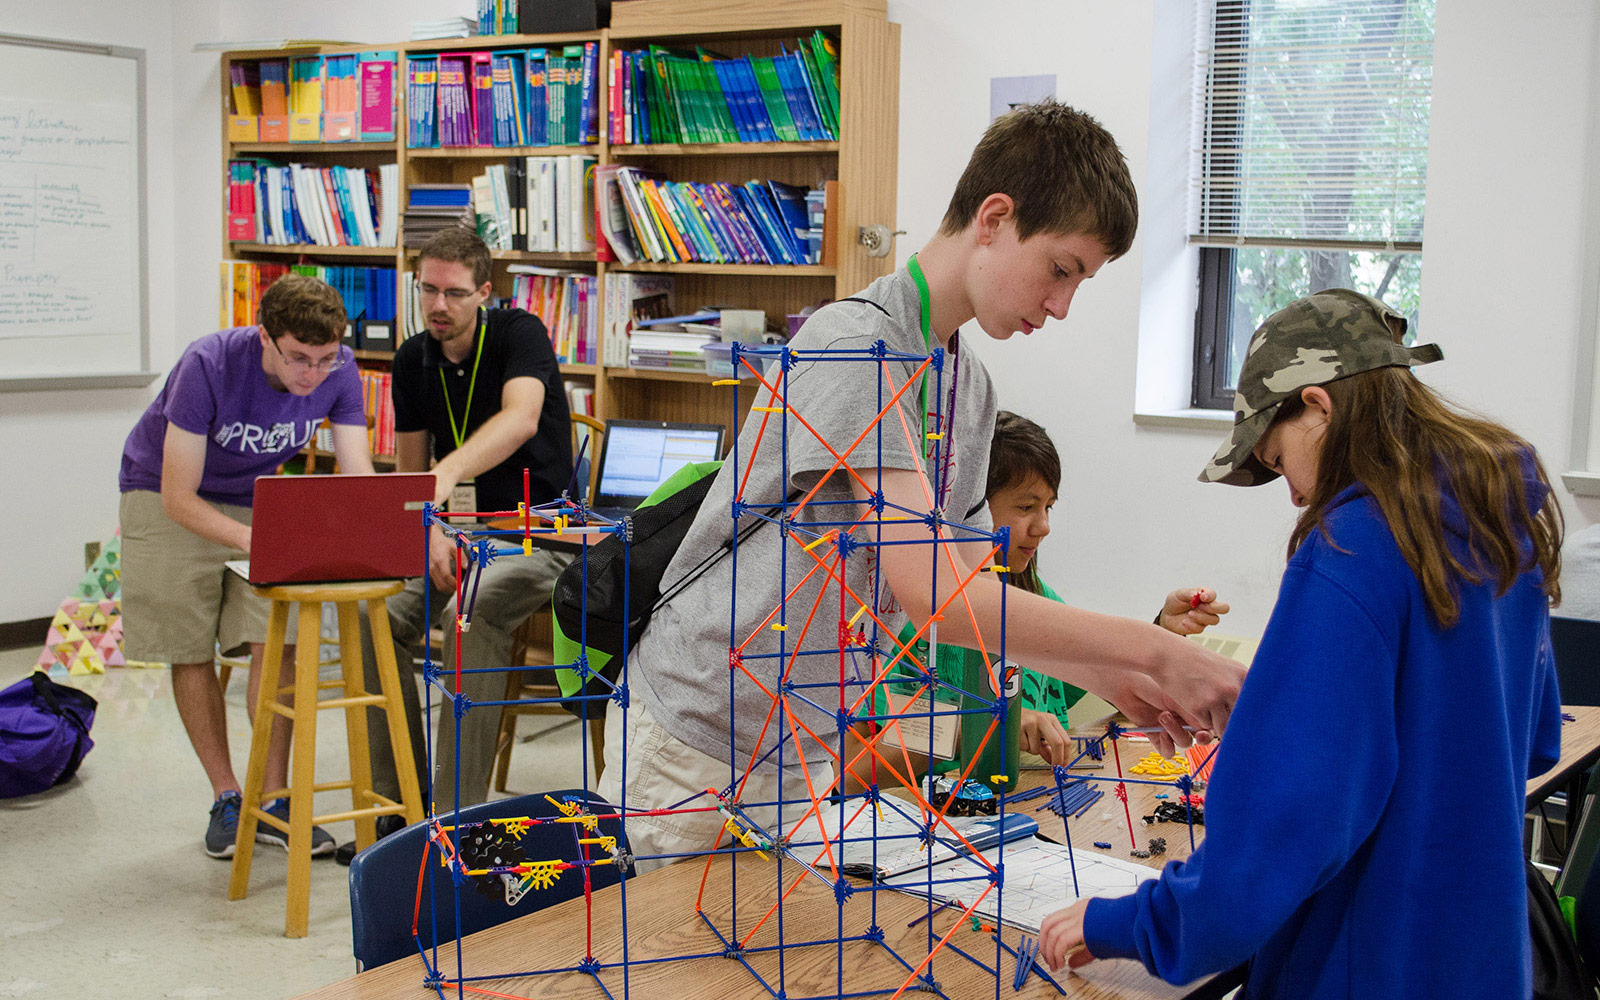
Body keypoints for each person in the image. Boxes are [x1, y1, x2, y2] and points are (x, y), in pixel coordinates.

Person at [597, 100, 1244, 872]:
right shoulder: (854, 343)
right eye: (1061, 269)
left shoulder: (967, 386)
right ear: (995, 217)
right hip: (699, 735)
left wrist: (1116, 675)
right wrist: (1151, 652)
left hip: (801, 743)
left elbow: (962, 598)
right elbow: (932, 591)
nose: (1064, 305)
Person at [1037, 289, 1565, 999]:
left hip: (1368, 963)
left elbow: (1279, 837)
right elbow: (1531, 742)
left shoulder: (1355, 549)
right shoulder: (1503, 522)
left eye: (1280, 461)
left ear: (1316, 405)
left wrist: (1126, 924)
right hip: (1484, 959)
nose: (1291, 494)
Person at [118, 273, 373, 858]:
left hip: (258, 496)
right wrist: (251, 541)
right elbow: (178, 496)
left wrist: (370, 532)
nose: (311, 375)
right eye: (298, 359)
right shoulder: (208, 363)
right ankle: (228, 795)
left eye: (324, 360)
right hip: (163, 496)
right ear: (265, 338)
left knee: (274, 639)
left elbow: (358, 474)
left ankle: (274, 800)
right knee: (189, 647)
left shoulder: (340, 369)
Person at [353, 227, 574, 844]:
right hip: (455, 537)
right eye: (427, 289)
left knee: (468, 614)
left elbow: (521, 417)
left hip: (542, 535)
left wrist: (448, 474)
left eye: (452, 292)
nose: (437, 305)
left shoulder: (519, 334)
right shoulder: (411, 357)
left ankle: (455, 822)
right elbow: (409, 471)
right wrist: (428, 529)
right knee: (375, 617)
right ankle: (399, 806)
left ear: (484, 292)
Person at [867, 411, 1229, 782]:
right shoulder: (908, 616)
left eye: (1048, 507)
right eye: (1026, 507)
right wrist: (990, 722)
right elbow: (863, 766)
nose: (1043, 527)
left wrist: (1164, 630)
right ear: (969, 506)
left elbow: (1104, 675)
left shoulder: (1033, 595)